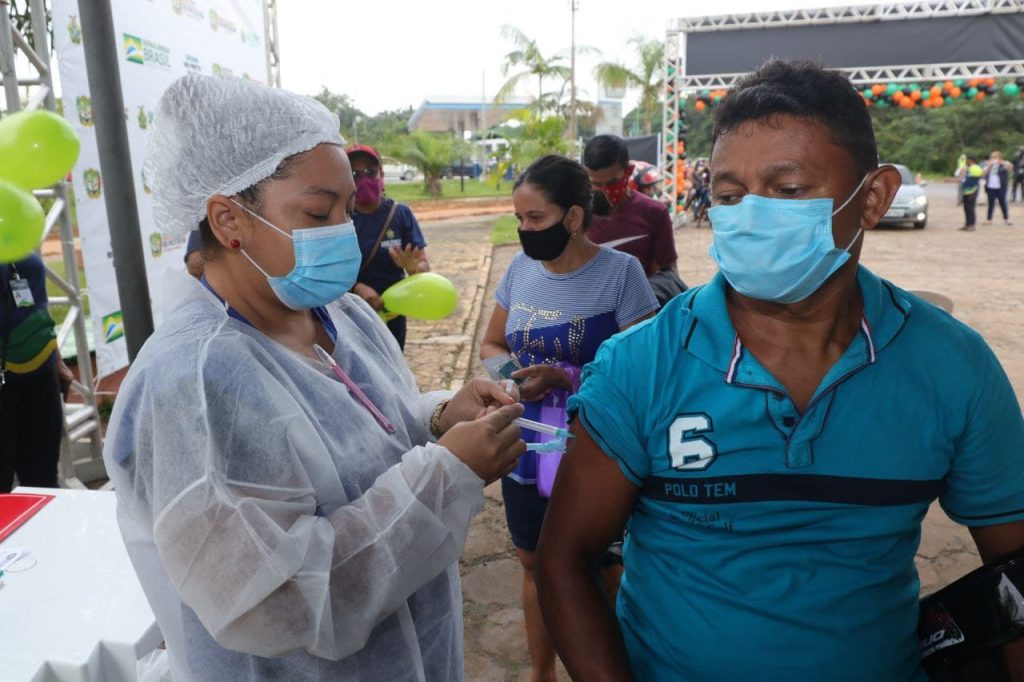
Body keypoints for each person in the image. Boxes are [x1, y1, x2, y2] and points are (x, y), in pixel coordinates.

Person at [535, 59, 1024, 682]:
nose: (750, 218)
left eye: (788, 191)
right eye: (731, 195)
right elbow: (565, 559)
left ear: (872, 198)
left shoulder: (952, 367)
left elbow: (1015, 576)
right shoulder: (641, 364)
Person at [104, 74, 527, 682]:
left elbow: (362, 436)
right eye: (318, 211)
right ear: (228, 219)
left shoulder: (345, 317)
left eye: (348, 209)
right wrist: (450, 471)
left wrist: (437, 418)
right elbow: (281, 603)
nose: (342, 231)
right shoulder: (193, 383)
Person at [479, 155, 658, 682]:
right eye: (519, 219)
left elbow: (643, 371)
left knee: (602, 569)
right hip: (528, 446)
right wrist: (512, 375)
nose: (524, 230)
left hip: (596, 449)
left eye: (535, 219)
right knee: (534, 566)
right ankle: (542, 673)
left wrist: (568, 381)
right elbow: (492, 342)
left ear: (574, 217)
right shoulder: (519, 270)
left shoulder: (620, 275)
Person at [346, 143, 430, 350]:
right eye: (354, 174)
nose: (363, 178)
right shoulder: (339, 217)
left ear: (381, 174)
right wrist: (356, 288)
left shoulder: (400, 214)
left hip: (393, 311)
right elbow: (326, 270)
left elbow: (424, 264)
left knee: (394, 366)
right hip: (350, 311)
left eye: (369, 172)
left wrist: (413, 269)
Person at [0, 253, 65, 492]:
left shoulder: (13, 223)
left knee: (44, 482)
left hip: (40, 369)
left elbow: (37, 304)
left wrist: (57, 361)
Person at [583, 135, 678, 278]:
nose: (603, 189)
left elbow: (668, 271)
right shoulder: (578, 214)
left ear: (628, 171)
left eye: (611, 183)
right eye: (596, 184)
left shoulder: (654, 212)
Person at [983, 150, 1013, 225]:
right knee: (990, 204)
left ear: (999, 157)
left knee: (1002, 203)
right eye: (992, 157)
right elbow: (984, 173)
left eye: (994, 157)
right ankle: (989, 219)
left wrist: (1002, 162)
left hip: (1001, 187)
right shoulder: (989, 165)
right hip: (991, 187)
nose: (993, 158)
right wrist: (989, 165)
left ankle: (1007, 219)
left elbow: (1011, 168)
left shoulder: (1004, 164)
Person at [958, 155, 983, 231]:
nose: (966, 162)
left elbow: (968, 178)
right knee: (966, 208)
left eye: (967, 161)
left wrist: (963, 172)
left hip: (972, 190)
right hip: (966, 190)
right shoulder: (969, 168)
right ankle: (967, 224)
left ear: (971, 161)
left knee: (970, 208)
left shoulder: (976, 168)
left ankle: (971, 225)